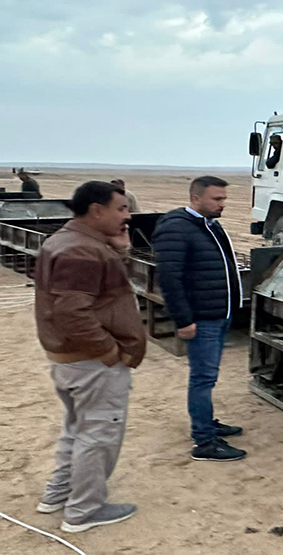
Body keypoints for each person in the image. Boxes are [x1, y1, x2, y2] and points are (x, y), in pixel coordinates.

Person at [33, 181, 144, 533]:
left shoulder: (72, 241)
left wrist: (121, 251)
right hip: (91, 364)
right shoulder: (82, 250)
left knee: (77, 430)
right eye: (121, 209)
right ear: (96, 211)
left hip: (72, 360)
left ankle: (57, 495)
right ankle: (83, 511)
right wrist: (109, 353)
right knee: (98, 436)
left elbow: (96, 292)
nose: (127, 216)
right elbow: (73, 313)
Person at [152, 176, 246, 462]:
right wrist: (183, 320)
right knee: (202, 379)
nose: (223, 204)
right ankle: (204, 442)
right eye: (217, 199)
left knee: (208, 377)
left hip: (218, 315)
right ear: (196, 198)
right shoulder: (176, 228)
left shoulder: (208, 225)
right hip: (201, 319)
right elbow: (169, 279)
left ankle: (207, 422)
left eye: (224, 199)